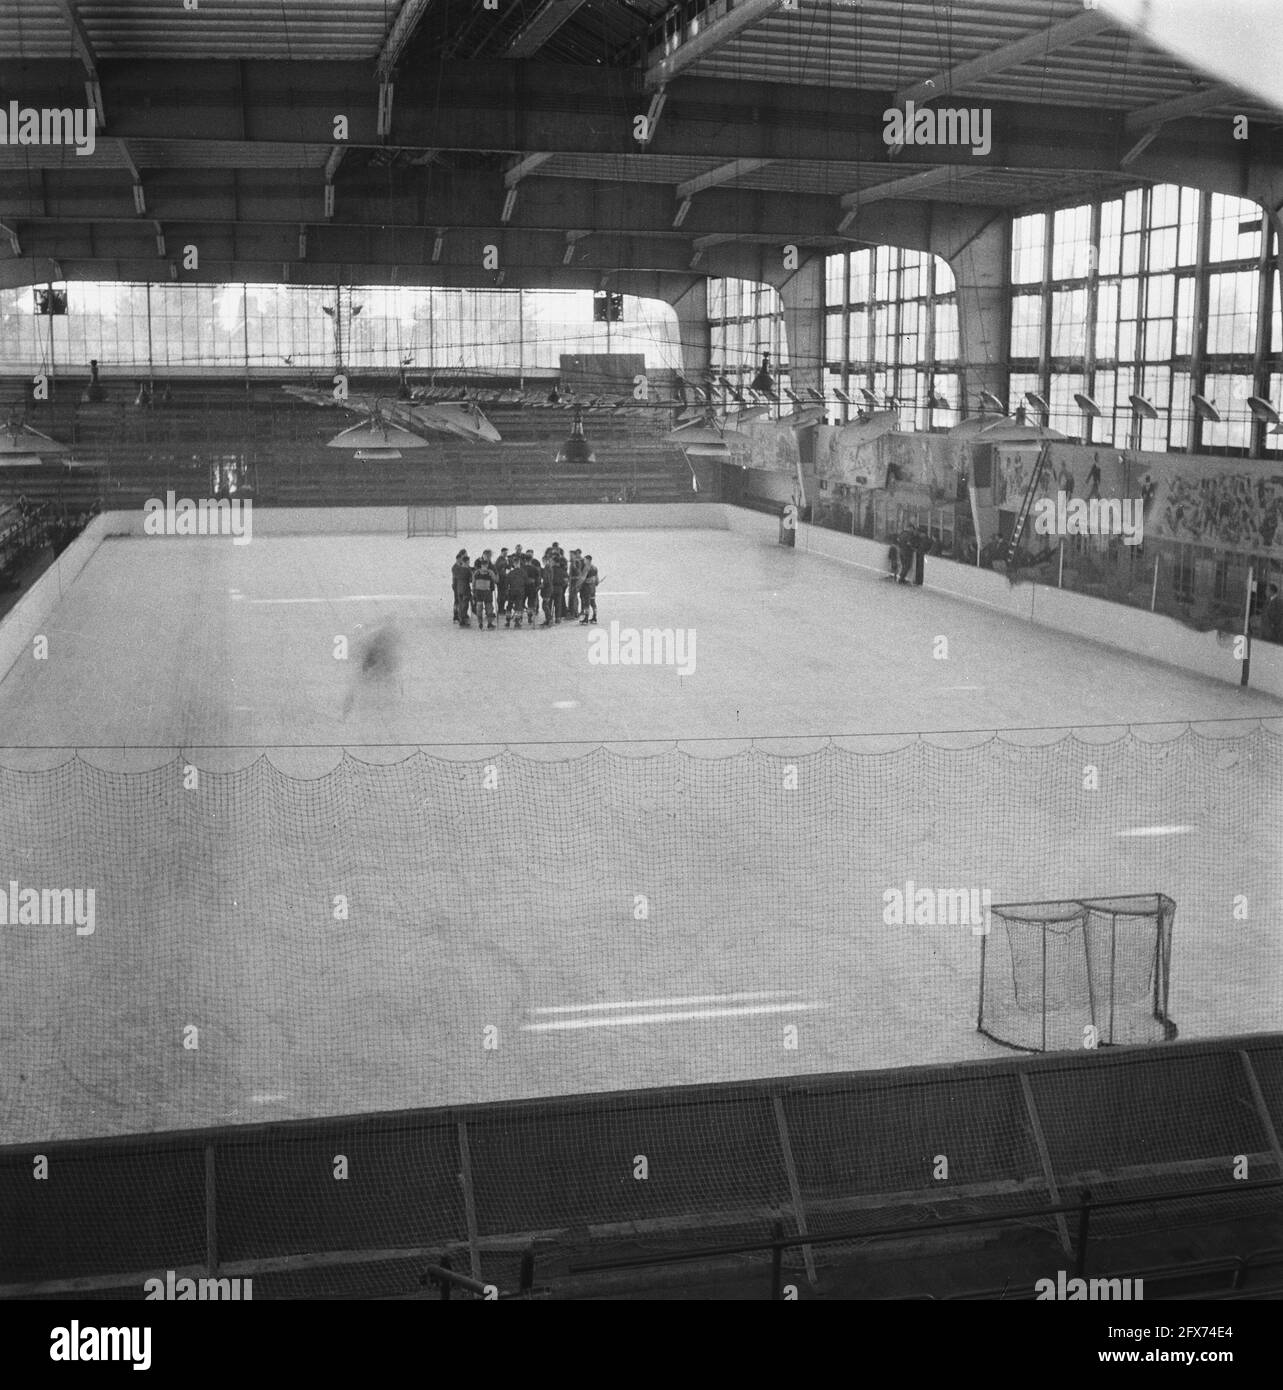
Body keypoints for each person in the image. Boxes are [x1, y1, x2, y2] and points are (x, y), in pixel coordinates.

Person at [471, 550, 497, 630]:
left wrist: (473, 590)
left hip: (478, 592)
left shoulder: (477, 572)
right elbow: (495, 580)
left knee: (479, 608)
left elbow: (473, 582)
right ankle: (489, 623)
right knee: (489, 607)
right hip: (487, 592)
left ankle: (480, 623)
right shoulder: (490, 572)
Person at [504, 549, 527, 627]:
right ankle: (517, 621)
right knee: (518, 606)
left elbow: (506, 583)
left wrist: (506, 591)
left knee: (509, 606)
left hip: (512, 591)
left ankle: (507, 621)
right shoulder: (523, 572)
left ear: (513, 564)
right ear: (519, 564)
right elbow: (526, 582)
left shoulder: (510, 573)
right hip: (520, 591)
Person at [451, 549, 472, 626]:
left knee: (461, 602)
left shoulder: (461, 565)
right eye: (465, 555)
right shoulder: (456, 567)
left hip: (459, 586)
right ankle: (457, 616)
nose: (466, 556)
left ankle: (462, 616)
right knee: (459, 601)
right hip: (458, 586)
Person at [578, 556, 600, 624]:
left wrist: (578, 585)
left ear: (587, 560)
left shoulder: (587, 567)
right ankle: (594, 617)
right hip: (593, 587)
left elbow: (582, 578)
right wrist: (595, 583)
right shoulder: (595, 567)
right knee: (593, 602)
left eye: (584, 559)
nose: (584, 561)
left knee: (586, 603)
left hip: (587, 587)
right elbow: (597, 580)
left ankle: (586, 619)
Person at [568, 549, 584, 618]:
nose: (570, 556)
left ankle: (575, 613)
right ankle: (573, 612)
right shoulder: (573, 562)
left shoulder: (576, 562)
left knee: (574, 597)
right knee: (573, 597)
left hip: (575, 581)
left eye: (571, 555)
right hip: (572, 581)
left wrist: (574, 566)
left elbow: (578, 572)